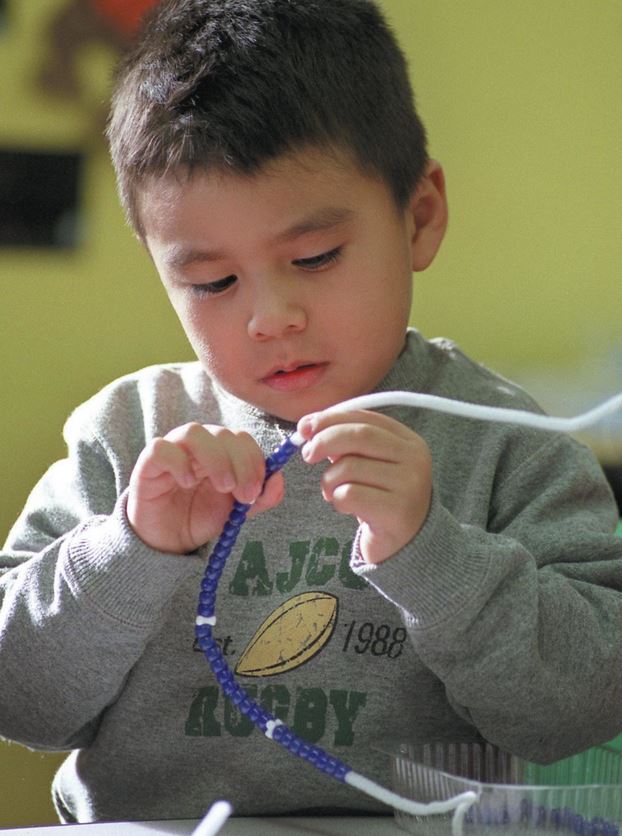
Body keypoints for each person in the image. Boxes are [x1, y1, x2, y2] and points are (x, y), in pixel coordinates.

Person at [2, 0, 622, 824]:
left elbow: (580, 711)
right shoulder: (127, 435)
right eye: (212, 283)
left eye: (315, 257)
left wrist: (431, 553)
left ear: (419, 217)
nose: (270, 317)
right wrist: (130, 546)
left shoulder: (504, 444)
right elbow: (22, 701)